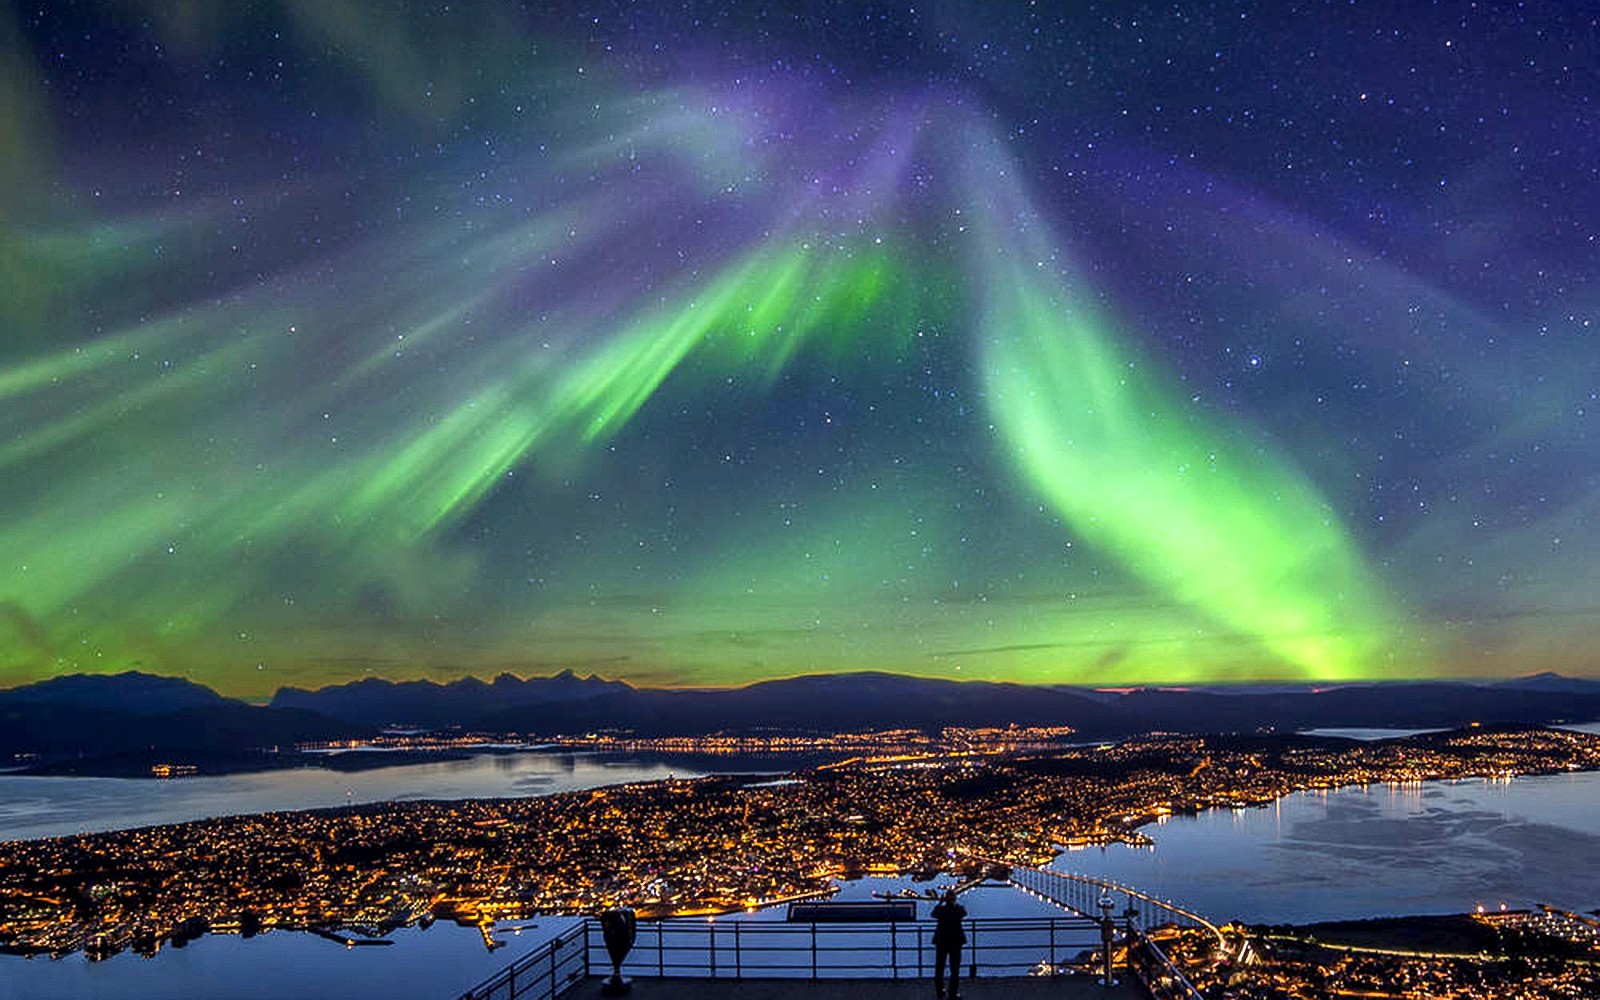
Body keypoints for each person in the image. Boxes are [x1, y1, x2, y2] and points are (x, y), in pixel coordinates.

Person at [930, 889, 967, 999]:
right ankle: (953, 993)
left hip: (942, 941)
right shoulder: (958, 909)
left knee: (939, 967)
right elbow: (964, 913)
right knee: (955, 969)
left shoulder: (941, 910)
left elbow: (933, 914)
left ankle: (940, 992)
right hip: (955, 941)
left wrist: (940, 903)